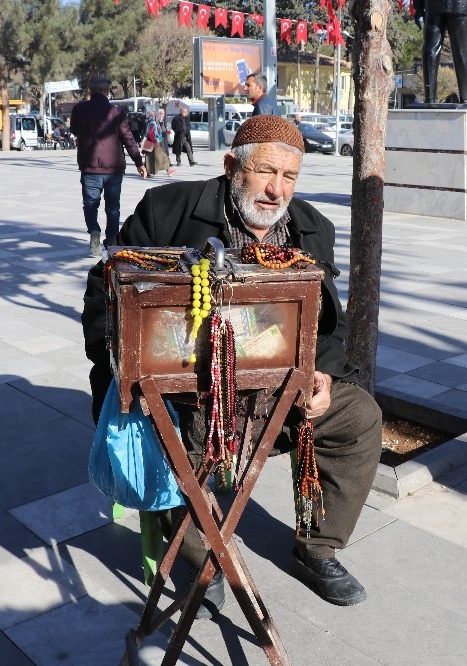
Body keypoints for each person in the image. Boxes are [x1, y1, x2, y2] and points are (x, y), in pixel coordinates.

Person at [81, 114, 383, 613]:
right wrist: (126, 368)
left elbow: (330, 323)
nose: (276, 189)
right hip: (190, 387)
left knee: (358, 418)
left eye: (289, 177)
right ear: (231, 166)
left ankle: (317, 546)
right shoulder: (167, 210)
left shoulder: (312, 228)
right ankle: (200, 558)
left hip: (281, 388)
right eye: (265, 172)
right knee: (183, 438)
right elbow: (105, 292)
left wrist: (323, 375)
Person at [70, 76, 147, 257]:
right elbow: (128, 138)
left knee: (90, 204)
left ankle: (94, 232)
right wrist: (139, 162)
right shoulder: (117, 111)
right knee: (112, 207)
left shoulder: (79, 109)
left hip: (89, 166)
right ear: (107, 92)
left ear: (89, 90)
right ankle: (111, 241)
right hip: (114, 168)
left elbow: (74, 130)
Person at [413, 0, 467, 108]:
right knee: (463, 51)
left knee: (431, 48)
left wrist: (419, 7)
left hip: (433, 5)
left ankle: (429, 98)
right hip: (461, 5)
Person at [143, 110, 176, 178]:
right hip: (155, 142)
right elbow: (151, 133)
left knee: (150, 158)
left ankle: (146, 171)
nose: (161, 116)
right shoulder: (152, 123)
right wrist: (155, 142)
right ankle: (168, 170)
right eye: (159, 115)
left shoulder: (154, 122)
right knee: (162, 156)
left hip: (153, 142)